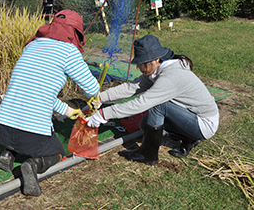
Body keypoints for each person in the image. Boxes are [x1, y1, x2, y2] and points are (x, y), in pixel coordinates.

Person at [0, 9, 100, 196]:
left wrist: (69, 111)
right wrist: (94, 99)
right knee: (56, 152)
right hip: (30, 137)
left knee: (18, 132)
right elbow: (91, 87)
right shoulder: (68, 50)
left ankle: (8, 154)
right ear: (75, 33)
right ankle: (31, 165)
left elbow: (41, 96)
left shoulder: (32, 46)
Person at [85, 35, 219, 165]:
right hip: (191, 115)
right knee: (145, 124)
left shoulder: (171, 77)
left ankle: (148, 154)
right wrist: (101, 98)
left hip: (204, 123)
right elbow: (132, 87)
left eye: (141, 63)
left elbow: (142, 102)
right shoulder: (158, 70)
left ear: (155, 60)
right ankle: (189, 138)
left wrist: (104, 114)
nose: (138, 67)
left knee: (158, 106)